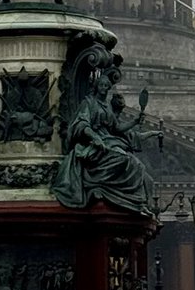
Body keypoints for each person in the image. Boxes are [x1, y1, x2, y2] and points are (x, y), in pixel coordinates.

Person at [52, 74, 154, 215]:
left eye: (107, 86)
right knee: (123, 159)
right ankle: (99, 185)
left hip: (109, 140)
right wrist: (94, 137)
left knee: (137, 165)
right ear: (96, 87)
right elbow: (82, 123)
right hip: (95, 142)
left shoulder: (107, 106)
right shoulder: (88, 102)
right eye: (102, 85)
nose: (104, 89)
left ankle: (135, 200)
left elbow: (116, 128)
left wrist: (135, 121)